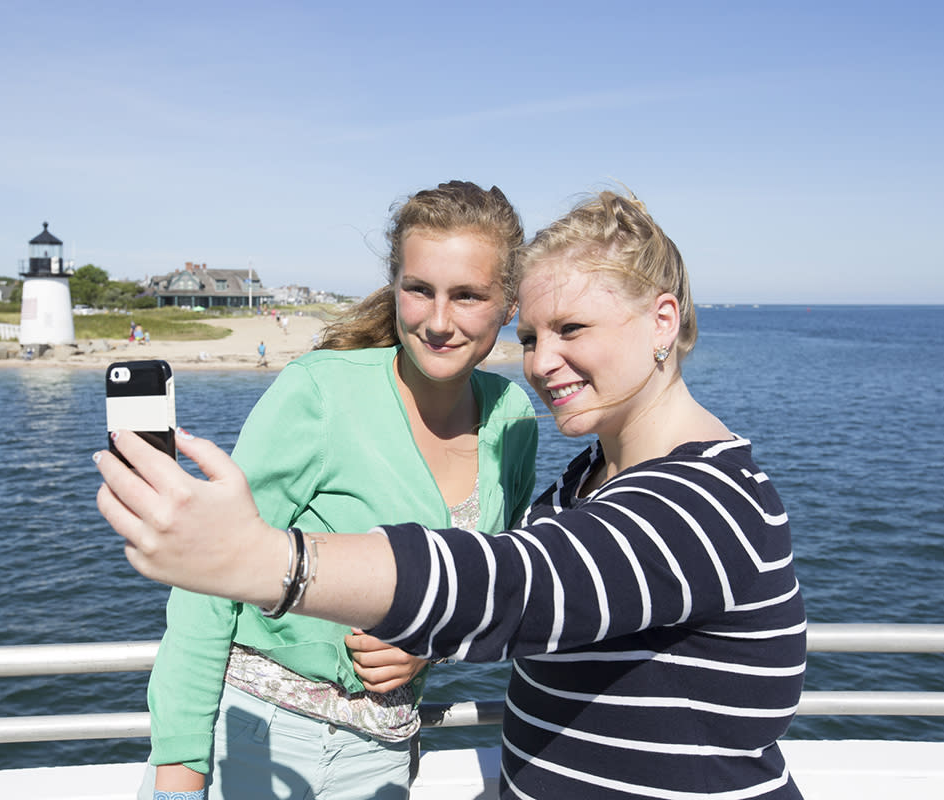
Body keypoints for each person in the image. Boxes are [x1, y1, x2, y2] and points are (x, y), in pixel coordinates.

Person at [97, 188, 807, 799]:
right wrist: (180, 764)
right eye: (533, 337)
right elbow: (530, 603)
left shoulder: (707, 501)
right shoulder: (581, 483)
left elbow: (512, 583)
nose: (543, 362)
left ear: (663, 320)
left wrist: (264, 562)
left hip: (381, 743)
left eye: (572, 329)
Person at [132, 180, 539, 800]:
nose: (437, 320)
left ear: (509, 305)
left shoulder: (512, 416)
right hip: (254, 739)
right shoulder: (321, 392)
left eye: (467, 296)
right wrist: (180, 773)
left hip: (385, 752)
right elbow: (205, 582)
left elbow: (488, 580)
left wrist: (429, 644)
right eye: (419, 289)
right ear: (394, 285)